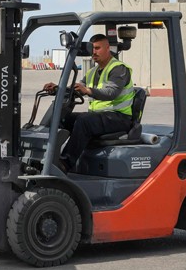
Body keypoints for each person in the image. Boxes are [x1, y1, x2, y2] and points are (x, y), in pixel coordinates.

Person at [43, 34, 135, 172]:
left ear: (108, 48)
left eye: (98, 48)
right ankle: (46, 156)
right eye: (92, 48)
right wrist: (58, 89)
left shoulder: (118, 69)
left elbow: (111, 92)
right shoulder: (92, 72)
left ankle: (65, 163)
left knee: (84, 121)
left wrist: (87, 90)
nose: (94, 52)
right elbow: (77, 89)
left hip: (119, 117)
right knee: (62, 118)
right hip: (100, 116)